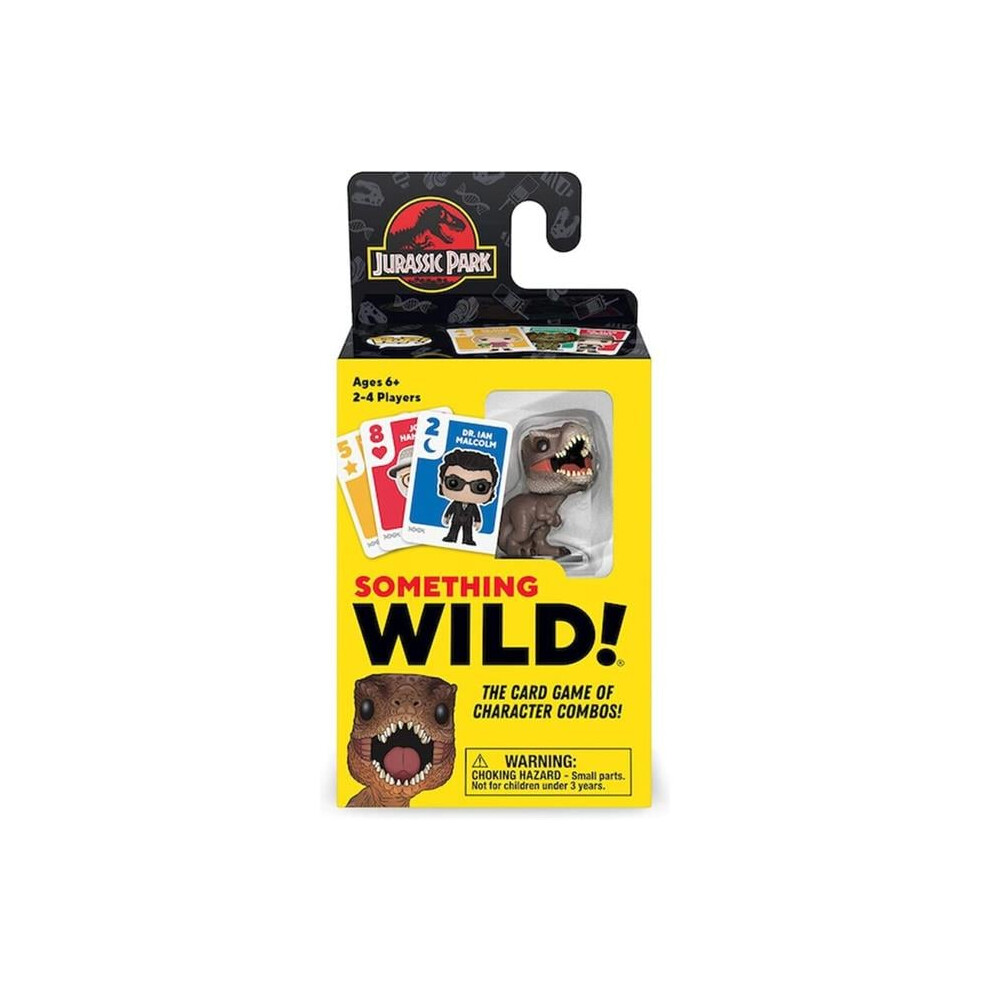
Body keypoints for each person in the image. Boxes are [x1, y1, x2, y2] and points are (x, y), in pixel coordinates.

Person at [438, 449, 499, 546]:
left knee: (468, 530)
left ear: (492, 489)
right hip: (456, 519)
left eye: (480, 487)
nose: (466, 490)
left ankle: (468, 540)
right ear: (442, 483)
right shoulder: (455, 504)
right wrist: (446, 517)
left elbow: (476, 514)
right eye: (454, 483)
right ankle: (451, 537)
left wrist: (478, 521)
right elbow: (450, 510)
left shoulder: (473, 506)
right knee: (454, 528)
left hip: (468, 521)